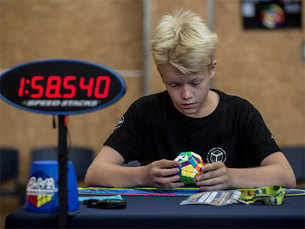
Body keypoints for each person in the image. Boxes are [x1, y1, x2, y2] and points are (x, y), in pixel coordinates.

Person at [85, 9, 296, 190]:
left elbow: (286, 176)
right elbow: (95, 173)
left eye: (195, 83)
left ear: (211, 69)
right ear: (161, 74)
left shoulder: (239, 112)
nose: (186, 95)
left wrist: (231, 177)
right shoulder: (145, 111)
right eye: (174, 84)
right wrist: (142, 176)